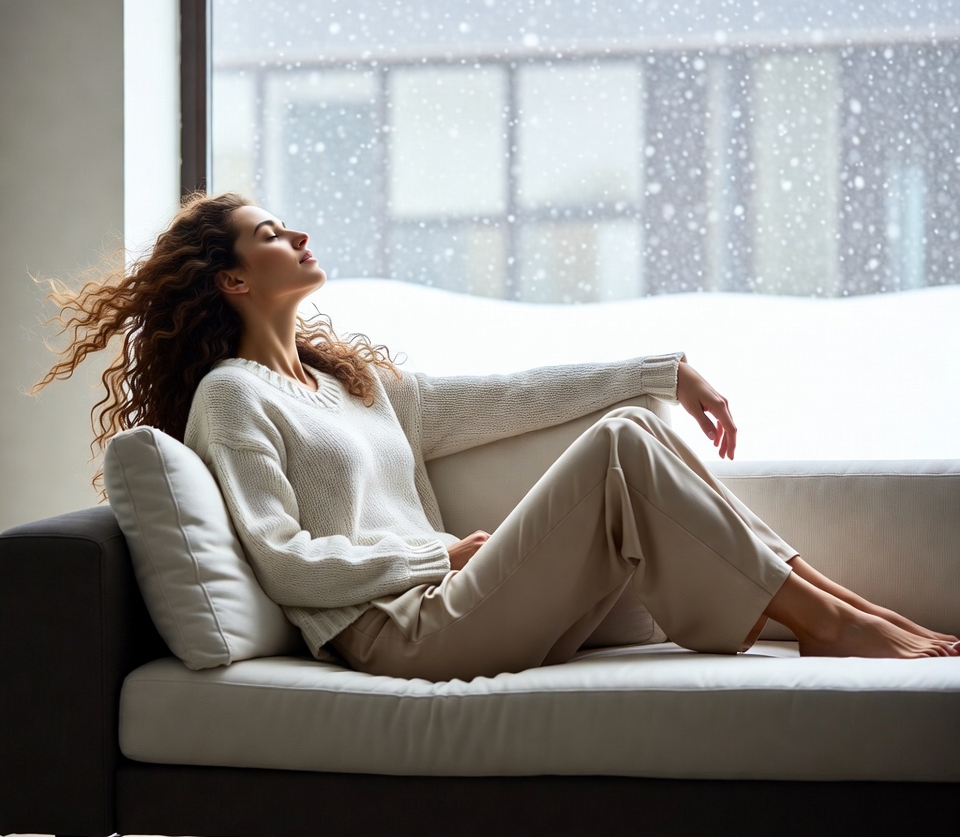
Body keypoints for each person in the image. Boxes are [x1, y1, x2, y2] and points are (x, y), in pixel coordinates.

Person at [34, 191, 959, 680]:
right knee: (624, 443)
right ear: (233, 281)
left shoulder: (350, 384)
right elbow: (285, 564)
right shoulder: (233, 400)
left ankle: (852, 618)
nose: (300, 233)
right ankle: (837, 625)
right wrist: (435, 554)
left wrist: (661, 372)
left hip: (460, 605)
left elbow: (513, 395)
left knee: (634, 424)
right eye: (272, 233)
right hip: (402, 634)